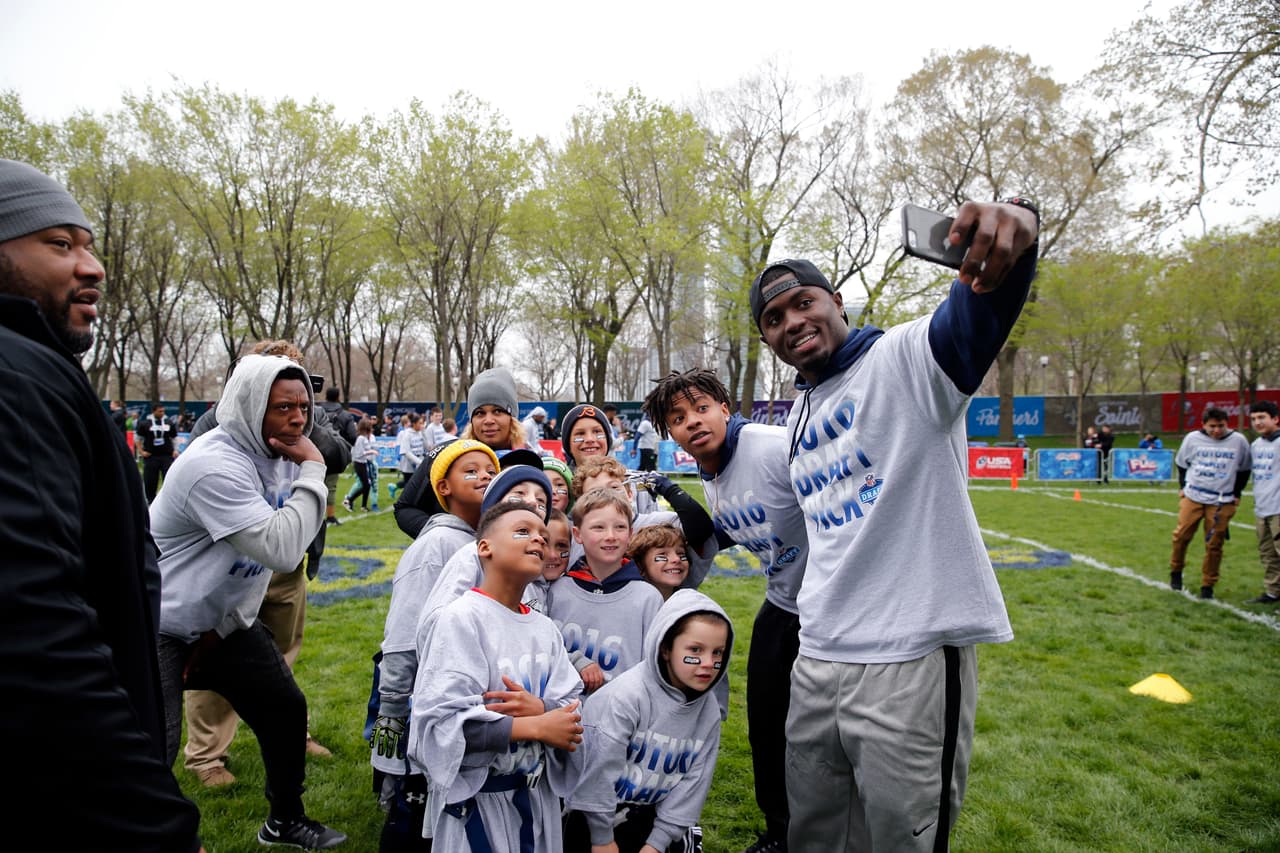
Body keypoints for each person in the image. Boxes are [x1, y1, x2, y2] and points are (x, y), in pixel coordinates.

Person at [752, 199, 1040, 852]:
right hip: (818, 657)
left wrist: (1014, 234)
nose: (792, 321)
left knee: (899, 841)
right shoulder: (798, 416)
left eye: (803, 302)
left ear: (837, 301)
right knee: (815, 836)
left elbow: (979, 311)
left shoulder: (906, 360)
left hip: (905, 661)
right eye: (774, 318)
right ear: (768, 340)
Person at [0, 158, 201, 850]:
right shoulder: (15, 372)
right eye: (59, 244)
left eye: (88, 244)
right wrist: (147, 817)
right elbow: (32, 626)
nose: (92, 267)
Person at [151, 352, 346, 849]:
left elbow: (255, 570)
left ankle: (284, 819)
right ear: (249, 403)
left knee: (285, 708)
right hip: (161, 623)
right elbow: (280, 550)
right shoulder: (212, 464)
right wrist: (316, 470)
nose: (299, 418)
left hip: (224, 622)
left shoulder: (279, 453)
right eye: (283, 407)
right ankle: (152, 836)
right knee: (155, 744)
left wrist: (229, 625)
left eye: (304, 405)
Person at [642, 366, 808, 853]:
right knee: (766, 723)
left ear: (725, 409)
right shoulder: (709, 469)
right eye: (678, 417)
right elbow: (718, 532)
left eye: (701, 408)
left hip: (836, 604)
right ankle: (781, 831)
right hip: (783, 602)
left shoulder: (771, 445)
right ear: (670, 434)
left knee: (824, 730)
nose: (692, 421)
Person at [408, 502, 585, 852]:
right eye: (523, 531)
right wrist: (534, 727)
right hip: (479, 805)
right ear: (484, 547)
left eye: (544, 537)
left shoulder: (545, 628)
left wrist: (541, 708)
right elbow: (440, 723)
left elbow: (571, 710)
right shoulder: (461, 619)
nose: (538, 540)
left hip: (536, 800)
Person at [371, 438, 500, 851]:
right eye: (471, 470)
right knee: (412, 805)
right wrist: (392, 711)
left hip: (465, 699)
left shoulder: (485, 541)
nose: (484, 476)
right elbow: (403, 634)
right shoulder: (436, 545)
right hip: (423, 700)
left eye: (491, 470)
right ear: (442, 487)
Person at [563, 589, 732, 853]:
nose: (708, 663)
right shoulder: (625, 698)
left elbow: (693, 782)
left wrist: (657, 844)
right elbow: (596, 776)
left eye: (718, 652)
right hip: (593, 815)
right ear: (665, 649)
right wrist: (602, 839)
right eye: (695, 650)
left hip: (657, 820)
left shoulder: (708, 708)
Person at [549, 488, 665, 695]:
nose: (610, 536)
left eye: (619, 527)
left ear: (630, 533)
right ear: (577, 534)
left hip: (621, 716)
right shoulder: (556, 591)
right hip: (560, 716)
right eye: (598, 528)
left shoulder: (648, 598)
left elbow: (654, 670)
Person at [393, 368, 529, 539]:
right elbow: (405, 508)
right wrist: (445, 537)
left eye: (497, 411)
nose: (488, 420)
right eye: (479, 413)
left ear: (512, 417)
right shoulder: (445, 455)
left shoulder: (529, 463)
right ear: (471, 420)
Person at [1169, 406, 1252, 599]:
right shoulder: (1192, 439)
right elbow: (1182, 464)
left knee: (1215, 543)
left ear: (1227, 424)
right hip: (1194, 494)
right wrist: (1182, 486)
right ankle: (1176, 570)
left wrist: (1237, 492)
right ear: (1203, 425)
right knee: (1181, 536)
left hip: (1222, 498)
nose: (1216, 430)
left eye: (1220, 426)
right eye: (1212, 426)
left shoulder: (1238, 441)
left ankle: (1208, 584)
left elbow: (1244, 469)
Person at [1247, 400, 1280, 605]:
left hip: (1279, 508)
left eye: (1262, 418)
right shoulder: (1256, 445)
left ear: (1275, 419)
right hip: (1262, 507)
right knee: (1267, 553)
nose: (1257, 422)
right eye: (1253, 419)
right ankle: (1273, 591)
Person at [629, 523, 692, 600]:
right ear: (640, 566)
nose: (677, 559)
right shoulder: (631, 607)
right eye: (662, 554)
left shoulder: (692, 605)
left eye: (680, 553)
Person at [138, 402, 179, 502]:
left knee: (168, 477)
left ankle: (167, 499)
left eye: (163, 411)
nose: (162, 413)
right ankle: (150, 500)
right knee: (150, 480)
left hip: (166, 455)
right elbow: (138, 438)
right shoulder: (145, 423)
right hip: (151, 456)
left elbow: (174, 437)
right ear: (154, 411)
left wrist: (175, 450)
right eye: (159, 411)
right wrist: (141, 451)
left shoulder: (168, 422)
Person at [344, 417, 380, 512]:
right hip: (359, 464)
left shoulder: (363, 437)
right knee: (365, 485)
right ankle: (349, 500)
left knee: (367, 485)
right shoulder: (360, 438)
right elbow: (359, 453)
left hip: (363, 463)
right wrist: (371, 451)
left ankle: (363, 506)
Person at [391, 413, 426, 500]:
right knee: (409, 487)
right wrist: (419, 462)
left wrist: (424, 432)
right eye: (420, 423)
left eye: (422, 423)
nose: (422, 425)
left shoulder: (420, 433)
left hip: (419, 463)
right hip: (409, 465)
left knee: (419, 486)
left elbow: (427, 446)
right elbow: (406, 452)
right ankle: (404, 502)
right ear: (414, 424)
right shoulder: (406, 434)